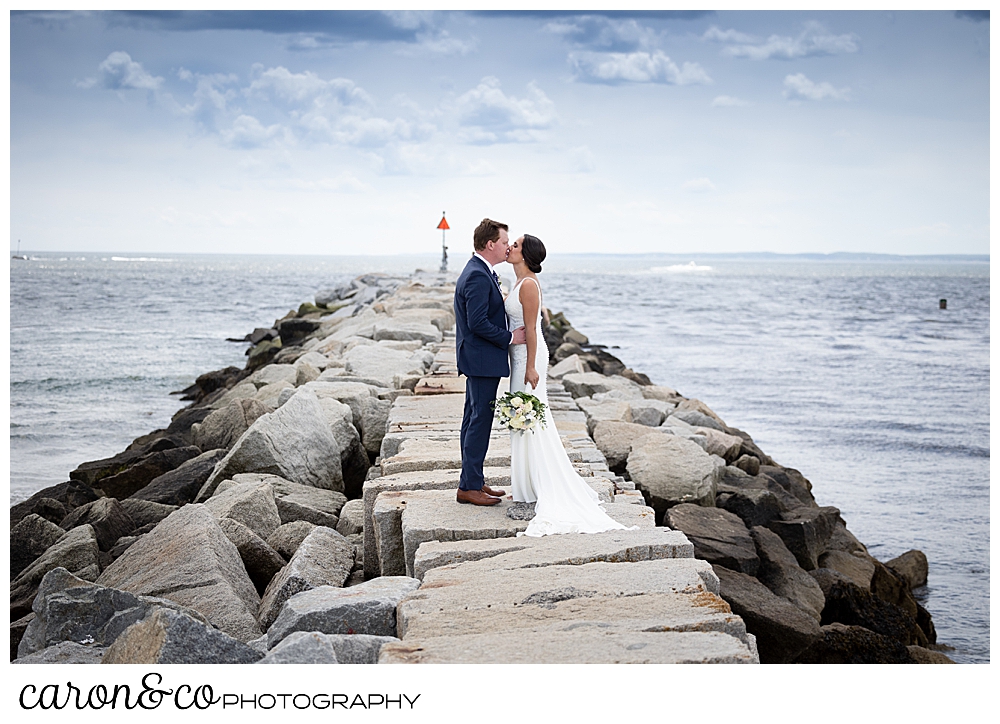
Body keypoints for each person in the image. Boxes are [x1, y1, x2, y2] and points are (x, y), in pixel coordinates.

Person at [504, 234, 629, 536]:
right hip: (518, 356)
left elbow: (533, 329)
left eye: (517, 245)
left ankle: (538, 487)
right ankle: (526, 486)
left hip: (528, 358)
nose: (511, 247)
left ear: (526, 255)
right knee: (522, 420)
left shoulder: (530, 285)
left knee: (531, 418)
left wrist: (531, 366)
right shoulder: (520, 283)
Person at [453, 218, 527, 505]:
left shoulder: (481, 271)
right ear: (491, 244)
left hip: (478, 359)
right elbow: (478, 322)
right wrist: (510, 338)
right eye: (505, 242)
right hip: (480, 359)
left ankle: (474, 480)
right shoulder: (477, 275)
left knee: (473, 419)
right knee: (478, 421)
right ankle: (468, 486)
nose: (508, 246)